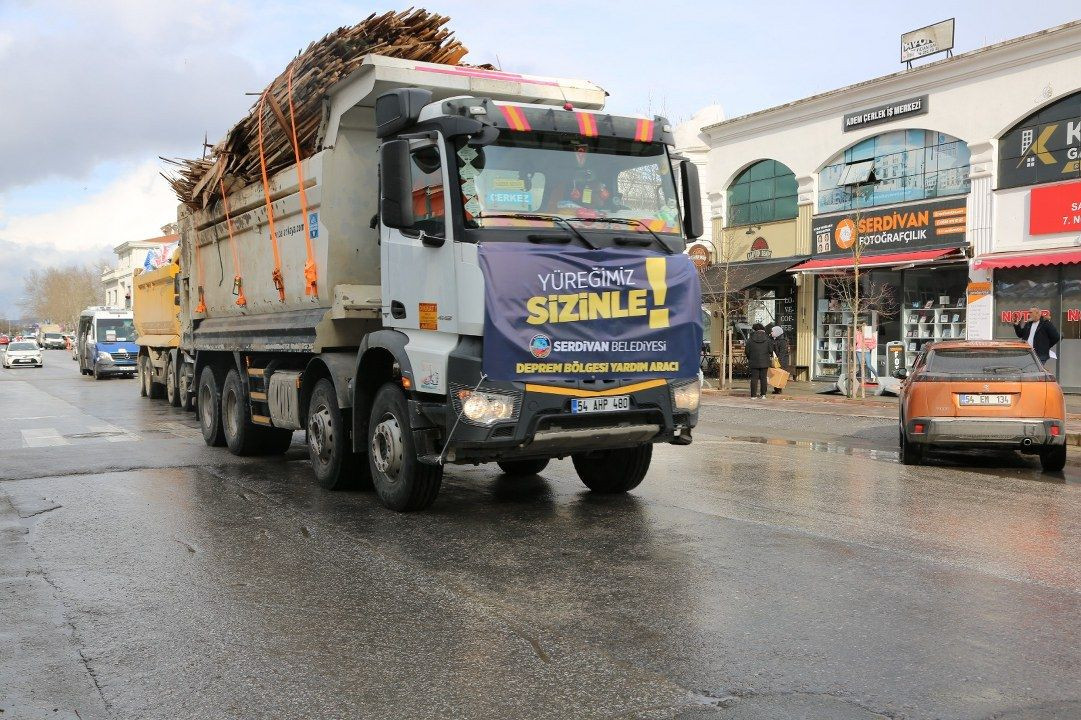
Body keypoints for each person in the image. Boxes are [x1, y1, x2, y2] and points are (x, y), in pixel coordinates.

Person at [745, 322, 772, 399]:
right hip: (765, 361)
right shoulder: (767, 339)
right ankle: (763, 395)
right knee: (763, 378)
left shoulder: (750, 339)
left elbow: (747, 351)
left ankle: (753, 395)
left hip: (753, 361)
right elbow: (770, 350)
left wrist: (750, 357)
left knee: (754, 378)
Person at [769, 325, 791, 394]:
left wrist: (778, 361)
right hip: (777, 359)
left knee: (780, 374)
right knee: (776, 374)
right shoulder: (775, 339)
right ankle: (776, 388)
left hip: (782, 361)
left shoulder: (783, 341)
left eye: (772, 331)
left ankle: (778, 389)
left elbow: (782, 353)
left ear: (777, 332)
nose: (771, 333)